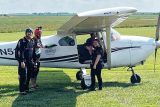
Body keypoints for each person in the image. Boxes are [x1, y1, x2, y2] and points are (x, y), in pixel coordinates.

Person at [16, 28, 35, 95]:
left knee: (28, 75)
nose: (29, 33)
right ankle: (22, 90)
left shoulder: (32, 41)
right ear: (26, 33)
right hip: (23, 61)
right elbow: (20, 52)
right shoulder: (22, 41)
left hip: (30, 61)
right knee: (23, 76)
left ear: (32, 33)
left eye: (30, 32)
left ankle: (26, 89)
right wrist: (21, 61)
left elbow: (33, 52)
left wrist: (34, 61)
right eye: (28, 32)